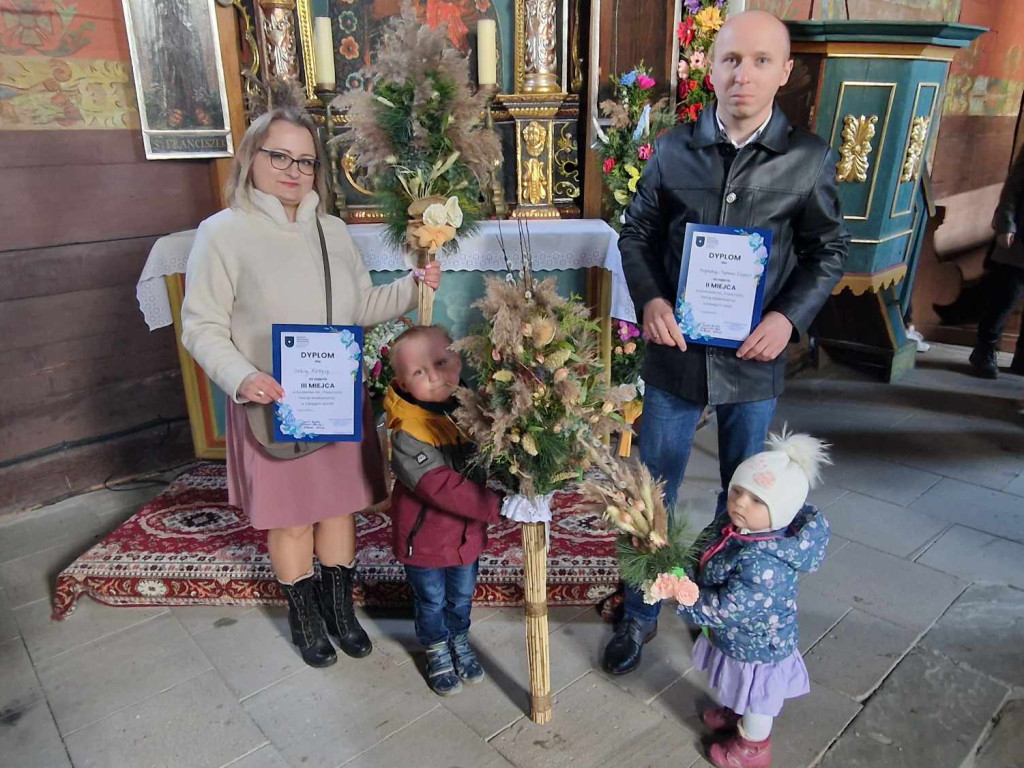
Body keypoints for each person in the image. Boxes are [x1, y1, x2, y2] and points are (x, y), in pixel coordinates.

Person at [612, 9, 848, 675]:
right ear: (710, 68)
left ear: (785, 73)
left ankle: (719, 605)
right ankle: (639, 611)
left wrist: (788, 319)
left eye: (761, 61)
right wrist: (652, 298)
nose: (743, 74)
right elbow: (637, 234)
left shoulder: (807, 159)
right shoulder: (673, 149)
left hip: (753, 359)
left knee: (745, 498)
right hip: (676, 353)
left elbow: (827, 250)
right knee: (650, 489)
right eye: (731, 60)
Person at [181, 104, 440, 668]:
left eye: (305, 160)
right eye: (280, 156)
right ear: (252, 158)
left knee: (338, 510)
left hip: (332, 394)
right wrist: (242, 377)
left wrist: (412, 284)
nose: (293, 170)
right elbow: (200, 325)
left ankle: (340, 610)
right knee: (294, 516)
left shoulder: (333, 231)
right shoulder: (222, 233)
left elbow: (360, 308)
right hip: (271, 401)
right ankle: (305, 616)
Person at [678, 431, 831, 768]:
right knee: (739, 684)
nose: (740, 503)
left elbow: (728, 609)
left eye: (757, 500)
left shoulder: (764, 564)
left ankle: (752, 749)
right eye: (737, 491)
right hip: (739, 641)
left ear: (782, 511)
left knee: (758, 699)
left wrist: (685, 596)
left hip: (760, 648)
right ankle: (736, 713)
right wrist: (683, 568)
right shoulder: (733, 524)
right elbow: (703, 549)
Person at [382, 325, 501, 696]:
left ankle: (460, 640)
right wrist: (499, 505)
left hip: (466, 536)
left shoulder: (470, 410)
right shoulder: (407, 432)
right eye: (419, 372)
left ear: (458, 359)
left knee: (462, 595)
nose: (434, 375)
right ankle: (436, 648)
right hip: (426, 540)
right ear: (402, 385)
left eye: (441, 362)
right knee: (431, 599)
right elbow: (440, 486)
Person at [969, 150, 1024, 378]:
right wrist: (1006, 224)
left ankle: (1022, 359)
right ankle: (985, 350)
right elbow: (1012, 189)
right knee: (1006, 297)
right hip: (1021, 238)